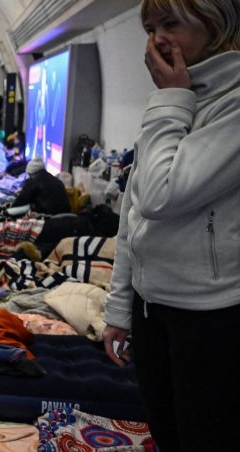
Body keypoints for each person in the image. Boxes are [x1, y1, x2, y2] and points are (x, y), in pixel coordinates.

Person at [103, 1, 240, 450]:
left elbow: (163, 194)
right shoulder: (172, 101)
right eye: (148, 28)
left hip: (209, 316)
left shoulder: (228, 104)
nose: (156, 39)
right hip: (151, 307)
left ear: (216, 21)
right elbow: (133, 213)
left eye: (170, 23)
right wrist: (121, 308)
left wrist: (170, 98)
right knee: (167, 434)